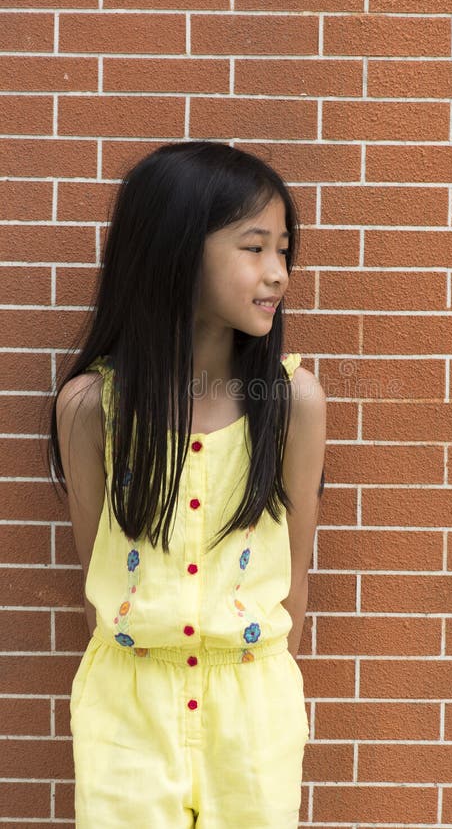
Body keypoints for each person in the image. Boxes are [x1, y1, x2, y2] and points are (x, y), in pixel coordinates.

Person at [47, 141, 327, 827]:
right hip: (127, 710)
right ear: (174, 250)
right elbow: (100, 569)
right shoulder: (92, 407)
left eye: (284, 250)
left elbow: (294, 573)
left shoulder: (293, 401)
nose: (277, 273)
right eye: (253, 247)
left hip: (253, 713)